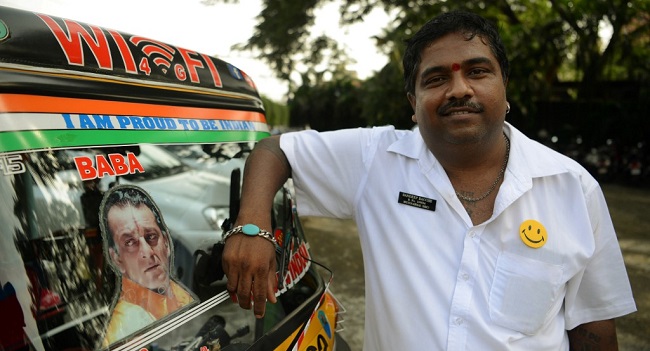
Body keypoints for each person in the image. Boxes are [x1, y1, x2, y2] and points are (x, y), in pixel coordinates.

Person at [222, 10, 636, 350]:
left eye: (477, 72)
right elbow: (274, 151)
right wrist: (252, 226)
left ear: (504, 88)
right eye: (436, 79)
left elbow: (594, 327)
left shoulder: (573, 188)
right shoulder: (376, 160)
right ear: (413, 105)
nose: (459, 89)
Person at [100, 185, 195, 347]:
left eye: (151, 236)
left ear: (166, 242)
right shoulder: (123, 331)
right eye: (130, 242)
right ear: (116, 259)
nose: (147, 252)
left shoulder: (183, 296)